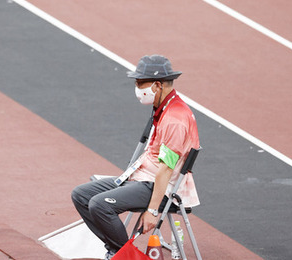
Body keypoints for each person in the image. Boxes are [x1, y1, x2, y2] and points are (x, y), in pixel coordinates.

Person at [71, 55, 200, 259]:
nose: (137, 88)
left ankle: (125, 255)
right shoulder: (163, 107)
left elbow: (166, 169)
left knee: (100, 205)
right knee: (81, 195)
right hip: (142, 177)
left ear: (157, 85)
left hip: (161, 188)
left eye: (141, 83)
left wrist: (152, 211)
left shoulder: (175, 119)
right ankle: (120, 251)